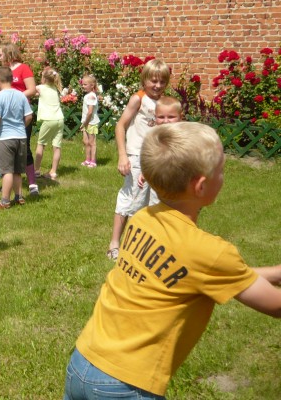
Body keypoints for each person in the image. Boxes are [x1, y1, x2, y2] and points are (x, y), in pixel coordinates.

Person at [64, 122, 281, 400]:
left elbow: (215, 275)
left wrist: (275, 272)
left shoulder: (143, 219)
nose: (224, 176)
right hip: (126, 385)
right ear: (201, 186)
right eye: (221, 170)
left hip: (84, 360)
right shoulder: (210, 253)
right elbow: (274, 306)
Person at [107, 59, 170, 260]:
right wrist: (123, 155)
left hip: (156, 159)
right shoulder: (138, 99)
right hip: (136, 156)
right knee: (130, 198)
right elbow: (120, 126)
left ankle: (142, 245)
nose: (158, 86)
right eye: (153, 81)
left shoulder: (165, 103)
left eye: (162, 82)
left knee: (153, 202)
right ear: (144, 80)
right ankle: (115, 243)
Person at [0, 66, 33, 209]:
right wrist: (20, 126)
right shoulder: (21, 95)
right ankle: (19, 197)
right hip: (21, 137)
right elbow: (29, 116)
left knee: (6, 170)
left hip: (4, 138)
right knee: (17, 170)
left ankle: (5, 201)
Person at [0, 43, 39, 195]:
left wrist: (15, 96)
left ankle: (32, 182)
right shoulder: (4, 71)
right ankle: (9, 182)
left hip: (21, 112)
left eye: (1, 54)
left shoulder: (24, 68)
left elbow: (32, 89)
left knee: (24, 147)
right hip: (6, 113)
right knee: (6, 147)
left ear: (9, 54)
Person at [33, 67, 64, 181]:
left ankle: (36, 170)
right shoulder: (55, 89)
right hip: (60, 119)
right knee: (57, 147)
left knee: (41, 144)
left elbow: (31, 91)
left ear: (44, 78)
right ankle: (53, 172)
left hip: (48, 120)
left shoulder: (40, 88)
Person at [80, 75, 100, 168]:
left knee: (92, 142)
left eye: (85, 84)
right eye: (82, 84)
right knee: (86, 142)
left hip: (91, 122)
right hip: (86, 122)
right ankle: (87, 159)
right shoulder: (88, 95)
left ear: (92, 85)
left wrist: (86, 123)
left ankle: (93, 161)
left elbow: (90, 112)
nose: (83, 86)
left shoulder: (91, 96)